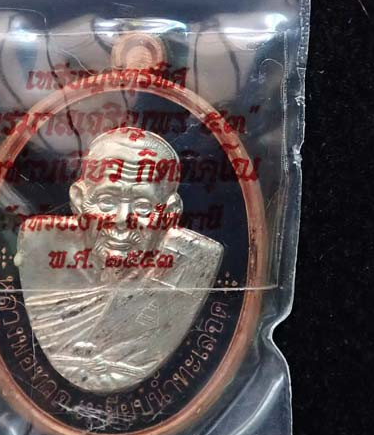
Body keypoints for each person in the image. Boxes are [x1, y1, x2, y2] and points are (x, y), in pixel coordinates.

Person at [14, 127, 223, 394]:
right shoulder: (39, 247)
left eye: (144, 206)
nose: (123, 219)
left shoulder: (192, 263)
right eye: (107, 201)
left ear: (170, 213)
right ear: (79, 201)